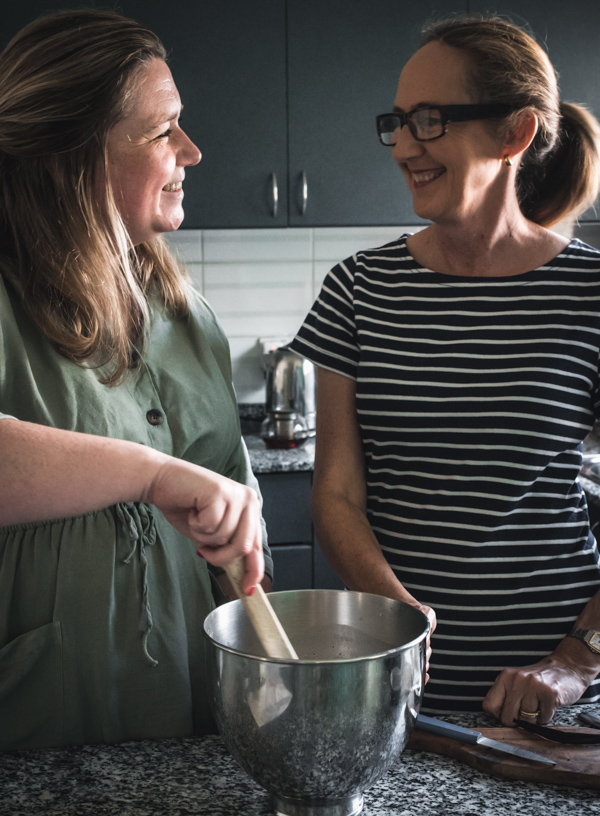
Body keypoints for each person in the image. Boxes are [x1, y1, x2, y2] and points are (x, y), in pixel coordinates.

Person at [291, 14, 600, 726]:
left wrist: (577, 659)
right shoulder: (359, 290)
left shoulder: (590, 295)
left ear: (514, 133)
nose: (403, 146)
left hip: (557, 707)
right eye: (397, 122)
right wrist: (398, 615)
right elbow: (335, 495)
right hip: (401, 700)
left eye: (429, 121)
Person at [0, 9, 273, 751]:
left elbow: (228, 486)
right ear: (73, 155)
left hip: (183, 724)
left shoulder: (190, 317)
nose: (192, 149)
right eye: (163, 131)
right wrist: (149, 473)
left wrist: (242, 545)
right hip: (41, 731)